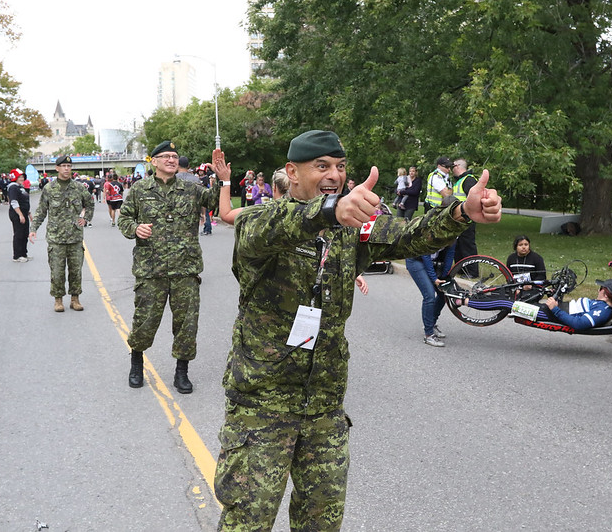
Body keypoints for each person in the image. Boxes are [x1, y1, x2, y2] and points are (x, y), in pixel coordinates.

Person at [213, 129, 502, 531]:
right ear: (291, 173)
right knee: (248, 521)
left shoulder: (351, 227)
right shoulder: (262, 221)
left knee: (323, 522)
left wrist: (458, 214)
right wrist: (330, 210)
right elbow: (272, 227)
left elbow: (407, 233)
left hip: (324, 406)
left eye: (340, 167)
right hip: (262, 406)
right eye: (322, 167)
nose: (334, 175)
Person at [117, 141, 220, 394]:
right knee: (145, 321)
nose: (172, 160)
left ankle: (181, 372)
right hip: (150, 270)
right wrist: (135, 229)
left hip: (185, 269)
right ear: (154, 161)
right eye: (166, 156)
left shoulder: (191, 188)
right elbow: (125, 219)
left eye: (175, 156)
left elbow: (214, 202)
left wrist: (222, 179)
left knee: (186, 324)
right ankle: (136, 363)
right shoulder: (140, 189)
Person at [29, 155, 95, 312]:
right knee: (57, 271)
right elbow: (41, 211)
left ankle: (75, 299)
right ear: (57, 168)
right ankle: (58, 300)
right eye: (63, 165)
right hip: (56, 238)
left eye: (69, 166)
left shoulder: (79, 188)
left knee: (76, 271)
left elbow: (90, 203)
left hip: (75, 237)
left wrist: (85, 218)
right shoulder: (49, 189)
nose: (66, 168)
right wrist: (33, 229)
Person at [449, 278, 612, 330]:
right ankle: (469, 295)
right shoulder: (600, 304)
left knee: (506, 303)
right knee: (511, 295)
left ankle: (461, 301)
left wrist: (554, 308)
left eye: (602, 288)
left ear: (606, 293)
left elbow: (578, 324)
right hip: (553, 308)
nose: (599, 289)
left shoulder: (602, 310)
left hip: (548, 314)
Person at [406, 222, 456, 346]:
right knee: (429, 295)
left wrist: (444, 277)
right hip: (416, 260)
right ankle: (428, 335)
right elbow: (426, 256)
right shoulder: (433, 231)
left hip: (432, 261)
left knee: (443, 293)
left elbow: (450, 255)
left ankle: (432, 324)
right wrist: (434, 279)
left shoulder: (455, 233)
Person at [451, 157, 480, 263]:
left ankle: (472, 271)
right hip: (459, 217)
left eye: (452, 166)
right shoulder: (460, 180)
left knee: (467, 245)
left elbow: (474, 200)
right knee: (459, 244)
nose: (451, 169)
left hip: (467, 218)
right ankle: (461, 268)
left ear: (457, 166)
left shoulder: (469, 180)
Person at [7, 169, 32, 262]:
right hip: (17, 213)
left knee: (25, 233)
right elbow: (14, 202)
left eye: (22, 177)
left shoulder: (20, 187)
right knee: (19, 234)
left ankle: (24, 254)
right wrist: (20, 215)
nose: (21, 179)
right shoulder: (13, 187)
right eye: (19, 177)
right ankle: (17, 255)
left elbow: (24, 201)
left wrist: (28, 213)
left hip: (24, 213)